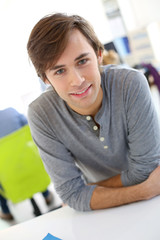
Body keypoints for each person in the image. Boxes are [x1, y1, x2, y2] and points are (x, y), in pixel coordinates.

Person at [27, 13, 160, 212]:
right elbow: (71, 193)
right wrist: (143, 191)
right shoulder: (41, 114)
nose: (78, 80)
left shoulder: (130, 83)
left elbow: (146, 170)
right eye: (60, 71)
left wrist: (84, 193)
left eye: (82, 61)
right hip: (103, 210)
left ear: (98, 55)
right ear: (46, 79)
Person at [0, 107, 53, 220]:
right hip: (30, 165)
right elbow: (32, 131)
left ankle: (6, 211)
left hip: (8, 177)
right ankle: (46, 195)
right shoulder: (11, 112)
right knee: (28, 161)